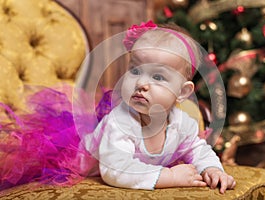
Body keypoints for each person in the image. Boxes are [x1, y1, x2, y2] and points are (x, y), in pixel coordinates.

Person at [83, 21, 236, 193]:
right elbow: (115, 169)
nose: (141, 83)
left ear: (183, 91)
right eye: (135, 71)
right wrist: (169, 176)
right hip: (84, 165)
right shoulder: (120, 121)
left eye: (157, 76)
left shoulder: (182, 123)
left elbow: (198, 151)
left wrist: (212, 169)